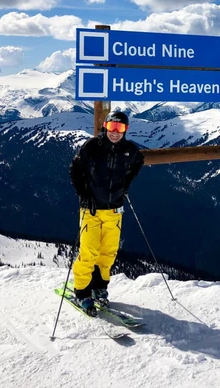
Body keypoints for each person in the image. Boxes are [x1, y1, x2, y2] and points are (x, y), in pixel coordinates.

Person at [68, 110, 145, 316]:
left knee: (108, 253)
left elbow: (138, 163)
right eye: (112, 127)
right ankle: (82, 292)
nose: (115, 132)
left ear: (125, 130)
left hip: (114, 210)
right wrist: (83, 194)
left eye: (120, 128)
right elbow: (75, 169)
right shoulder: (92, 147)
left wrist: (125, 185)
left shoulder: (130, 150)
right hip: (91, 210)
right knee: (89, 252)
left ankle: (100, 288)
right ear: (105, 126)